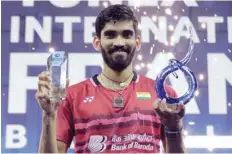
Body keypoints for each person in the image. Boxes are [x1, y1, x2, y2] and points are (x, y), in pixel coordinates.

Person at [35, 4, 186, 153]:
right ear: (97, 42)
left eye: (127, 34)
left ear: (137, 42)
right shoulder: (72, 96)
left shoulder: (163, 95)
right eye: (110, 34)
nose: (119, 42)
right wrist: (49, 115)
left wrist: (174, 128)